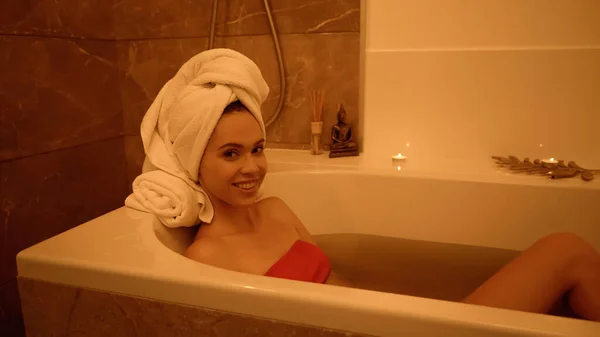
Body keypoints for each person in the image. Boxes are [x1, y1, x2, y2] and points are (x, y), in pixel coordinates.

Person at [185, 100, 600, 322]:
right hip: (382, 330)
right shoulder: (207, 256)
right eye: (230, 154)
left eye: (258, 149)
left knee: (568, 259)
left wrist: (408, 303)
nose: (252, 167)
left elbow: (332, 279)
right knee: (566, 251)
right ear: (194, 161)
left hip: (391, 321)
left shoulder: (276, 209)